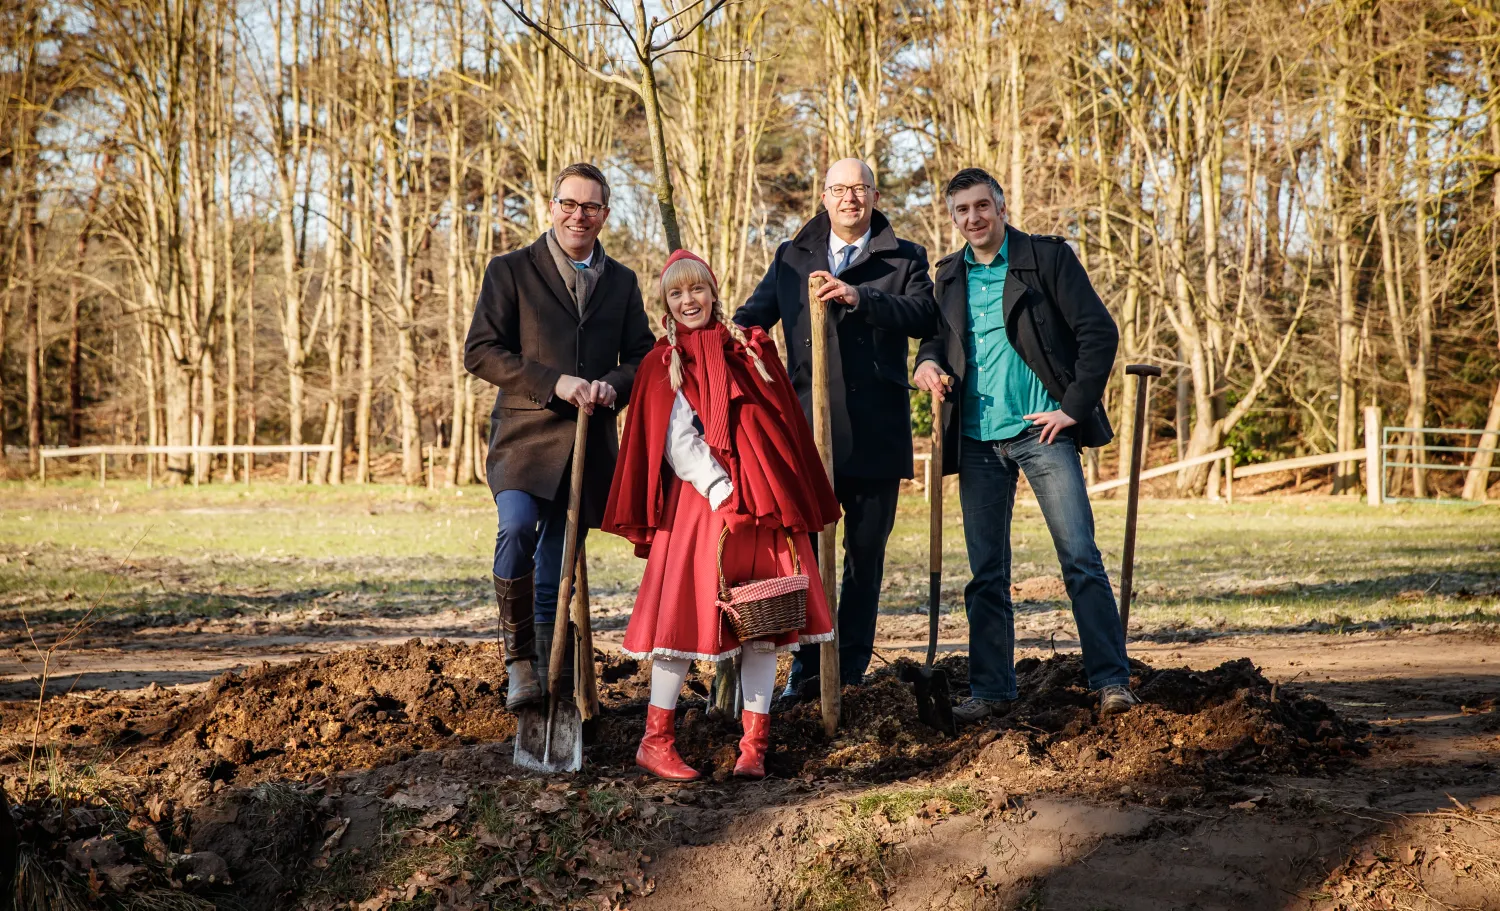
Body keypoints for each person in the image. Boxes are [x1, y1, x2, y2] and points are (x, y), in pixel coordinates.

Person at [603, 249, 841, 780]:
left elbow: (778, 426)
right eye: (676, 294)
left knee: (762, 618)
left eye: (698, 290)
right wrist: (719, 489)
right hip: (702, 508)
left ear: (714, 292)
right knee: (684, 620)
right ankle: (655, 740)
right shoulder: (661, 362)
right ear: (665, 304)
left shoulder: (744, 352)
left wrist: (771, 490)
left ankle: (754, 743)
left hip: (762, 505)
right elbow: (676, 440)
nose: (689, 301)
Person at [912, 167, 1137, 721]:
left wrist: (1072, 409)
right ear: (953, 217)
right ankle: (991, 692)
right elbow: (935, 340)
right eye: (962, 210)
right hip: (975, 441)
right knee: (986, 572)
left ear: (1002, 207)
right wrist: (926, 365)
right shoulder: (948, 277)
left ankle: (1111, 682)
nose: (974, 218)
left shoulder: (1046, 260)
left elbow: (1098, 333)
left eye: (982, 206)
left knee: (1080, 559)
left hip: (1043, 431)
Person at [734, 158, 938, 698]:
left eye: (860, 188)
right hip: (807, 436)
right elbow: (752, 318)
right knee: (807, 561)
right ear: (823, 197)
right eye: (839, 189)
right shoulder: (792, 256)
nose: (850, 198)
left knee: (864, 557)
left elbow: (924, 316)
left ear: (874, 194)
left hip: (876, 432)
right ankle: (806, 674)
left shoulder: (905, 257)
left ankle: (846, 673)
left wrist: (859, 297)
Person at [464, 163, 656, 711]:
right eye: (569, 204)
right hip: (524, 436)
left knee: (560, 556)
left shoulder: (621, 281)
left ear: (605, 214)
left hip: (588, 443)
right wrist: (557, 382)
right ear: (552, 206)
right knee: (519, 528)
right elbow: (480, 351)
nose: (579, 215)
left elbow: (641, 355)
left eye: (591, 207)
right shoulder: (510, 271)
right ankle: (519, 659)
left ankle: (551, 671)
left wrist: (610, 386)